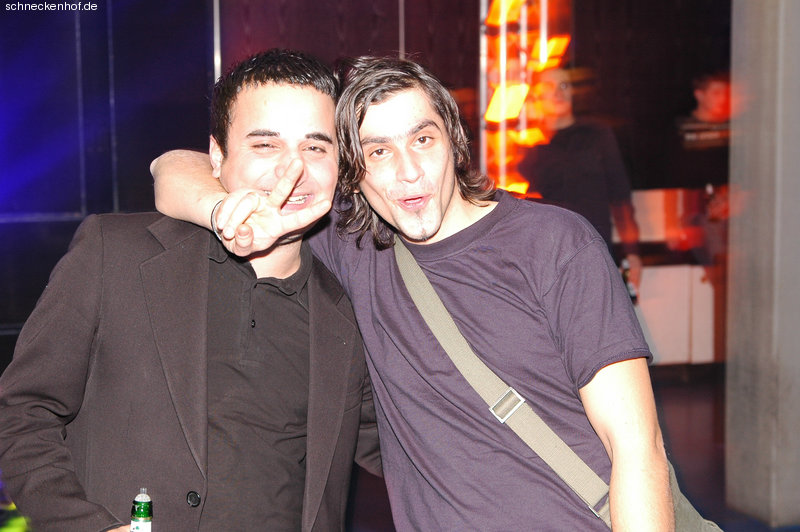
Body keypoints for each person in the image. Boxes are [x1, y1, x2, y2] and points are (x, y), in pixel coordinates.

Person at [152, 56, 673, 530]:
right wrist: (224, 212)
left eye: (422, 139)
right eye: (379, 151)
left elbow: (636, 447)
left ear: (455, 140)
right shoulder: (354, 247)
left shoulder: (554, 243)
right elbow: (171, 166)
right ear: (353, 173)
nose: (408, 172)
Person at [0, 49, 380, 532]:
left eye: (315, 147)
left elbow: (401, 442)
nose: (293, 171)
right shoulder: (114, 254)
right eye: (266, 145)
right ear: (217, 157)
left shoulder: (351, 307)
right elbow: (22, 411)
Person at [517, 67, 643, 288]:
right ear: (536, 95)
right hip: (547, 259)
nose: (558, 92)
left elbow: (620, 197)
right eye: (549, 86)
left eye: (564, 85)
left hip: (593, 249)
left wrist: (632, 252)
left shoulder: (596, 135)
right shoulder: (529, 147)